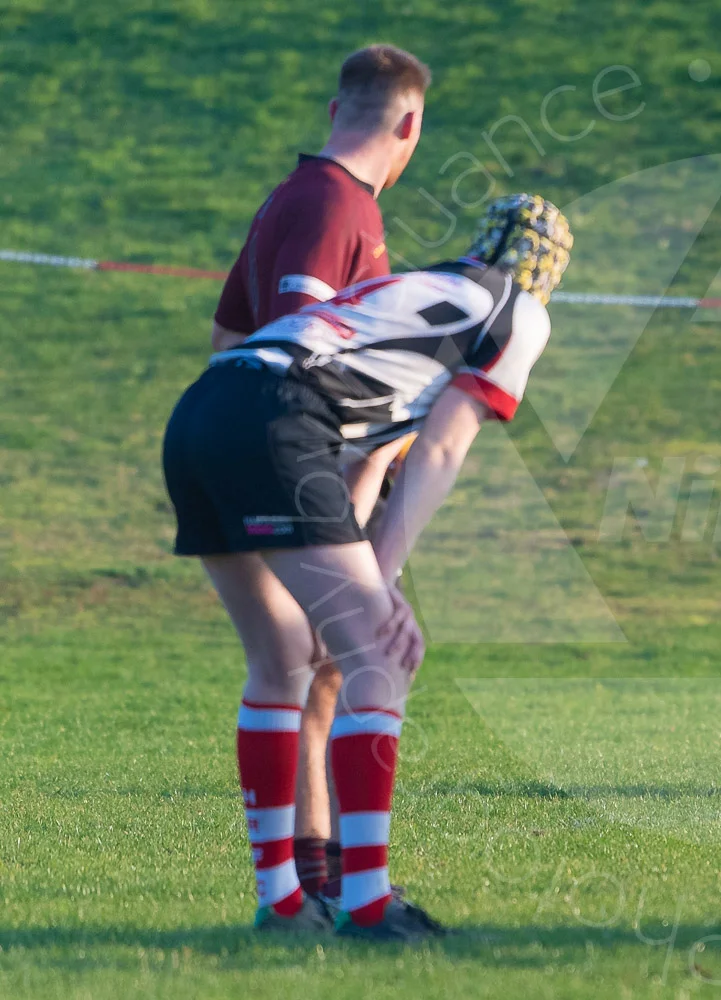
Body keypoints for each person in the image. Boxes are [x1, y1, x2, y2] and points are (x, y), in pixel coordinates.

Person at [162, 195, 573, 938]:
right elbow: (443, 448)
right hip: (276, 415)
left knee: (283, 657)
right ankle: (368, 901)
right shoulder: (523, 313)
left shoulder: (416, 295)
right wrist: (380, 587)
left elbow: (369, 447)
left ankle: (284, 903)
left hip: (203, 409)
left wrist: (365, 576)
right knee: (380, 657)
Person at [210, 43, 431, 898]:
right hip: (304, 464)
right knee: (362, 650)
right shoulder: (335, 208)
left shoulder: (294, 199)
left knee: (313, 660)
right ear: (408, 124)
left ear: (338, 110)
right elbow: (303, 355)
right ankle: (347, 883)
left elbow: (228, 341)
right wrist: (343, 483)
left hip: (271, 454)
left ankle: (315, 873)